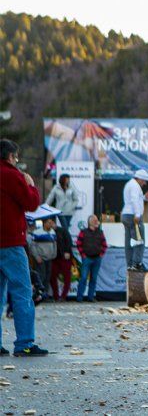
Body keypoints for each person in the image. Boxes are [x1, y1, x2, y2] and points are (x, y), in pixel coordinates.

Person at [0, 138, 49, 356]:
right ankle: (24, 343)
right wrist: (30, 185)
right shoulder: (12, 175)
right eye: (16, 156)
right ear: (10, 156)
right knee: (22, 292)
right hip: (11, 243)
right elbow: (31, 203)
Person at [121, 170, 148, 272]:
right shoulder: (135, 186)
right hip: (133, 216)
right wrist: (137, 214)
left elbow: (135, 199)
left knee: (129, 241)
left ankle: (130, 265)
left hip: (126, 214)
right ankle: (137, 264)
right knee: (139, 240)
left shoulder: (130, 184)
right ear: (140, 178)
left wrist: (144, 198)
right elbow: (134, 199)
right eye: (144, 181)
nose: (145, 183)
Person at [75, 215, 107, 302]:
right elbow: (78, 244)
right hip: (87, 258)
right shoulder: (83, 232)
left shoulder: (100, 232)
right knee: (83, 278)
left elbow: (104, 245)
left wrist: (101, 254)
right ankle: (79, 297)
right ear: (90, 222)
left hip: (97, 258)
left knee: (94, 278)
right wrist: (83, 255)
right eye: (95, 220)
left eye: (97, 220)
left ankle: (90, 297)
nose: (97, 221)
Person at [29, 218, 58, 299]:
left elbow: (55, 244)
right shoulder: (37, 233)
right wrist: (37, 257)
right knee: (41, 276)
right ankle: (38, 294)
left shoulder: (52, 232)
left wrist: (54, 254)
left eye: (51, 222)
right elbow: (33, 246)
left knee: (48, 277)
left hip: (50, 258)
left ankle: (44, 295)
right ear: (44, 223)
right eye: (49, 223)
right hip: (40, 258)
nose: (51, 224)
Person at [50, 221, 73, 301]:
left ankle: (63, 296)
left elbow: (69, 241)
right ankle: (56, 296)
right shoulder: (49, 232)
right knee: (52, 277)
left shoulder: (63, 230)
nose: (50, 225)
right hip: (54, 257)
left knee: (67, 277)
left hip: (64, 257)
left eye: (51, 223)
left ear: (54, 223)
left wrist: (67, 251)